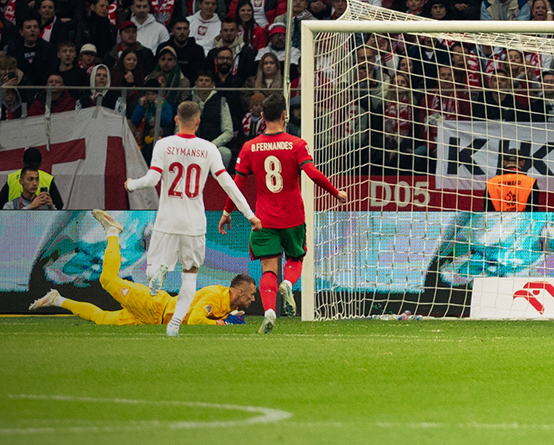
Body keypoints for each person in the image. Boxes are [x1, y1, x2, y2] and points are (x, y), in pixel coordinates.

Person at [122, 100, 261, 337]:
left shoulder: (164, 145)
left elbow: (152, 180)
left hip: (167, 220)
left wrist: (131, 185)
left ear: (176, 120)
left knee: (150, 273)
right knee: (189, 277)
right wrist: (250, 215)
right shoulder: (208, 149)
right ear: (198, 122)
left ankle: (160, 272)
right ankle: (174, 326)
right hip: (195, 224)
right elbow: (229, 184)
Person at [219, 94, 346, 334]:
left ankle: (269, 312)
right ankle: (288, 283)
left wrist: (227, 211)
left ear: (263, 116)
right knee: (296, 259)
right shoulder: (296, 144)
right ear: (285, 115)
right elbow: (312, 173)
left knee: (268, 268)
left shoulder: (249, 147)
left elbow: (235, 185)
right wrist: (334, 192)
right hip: (292, 216)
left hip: (263, 218)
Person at [30, 209, 257, 326]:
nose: (253, 300)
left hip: (150, 319)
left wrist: (230, 317)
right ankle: (112, 231)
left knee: (101, 319)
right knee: (107, 280)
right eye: (252, 295)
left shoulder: (226, 304)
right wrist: (223, 322)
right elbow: (197, 320)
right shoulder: (216, 295)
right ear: (239, 291)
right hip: (153, 305)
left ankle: (57, 299)